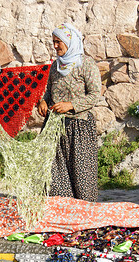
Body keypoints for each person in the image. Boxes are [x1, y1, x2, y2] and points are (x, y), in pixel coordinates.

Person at [37, 23, 101, 202]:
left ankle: (84, 216)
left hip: (78, 127)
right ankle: (63, 212)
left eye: (59, 42)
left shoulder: (86, 64)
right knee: (55, 174)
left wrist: (71, 105)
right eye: (54, 42)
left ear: (69, 41)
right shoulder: (55, 66)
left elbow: (95, 95)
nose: (55, 46)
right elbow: (49, 92)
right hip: (55, 127)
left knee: (81, 176)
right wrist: (43, 101)